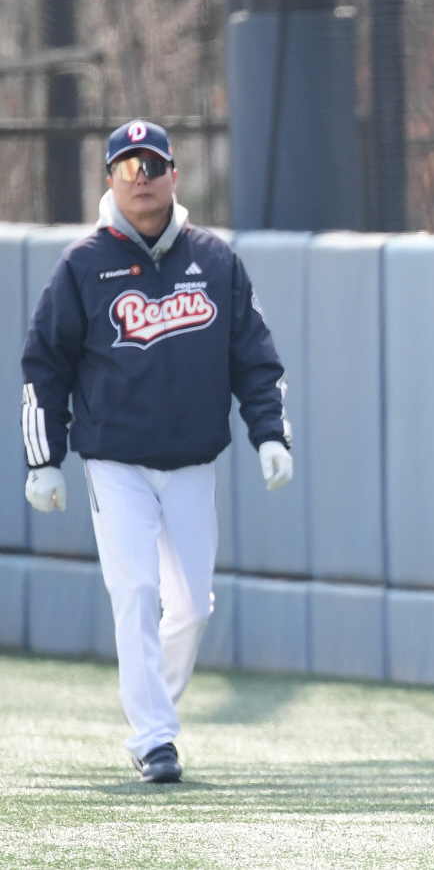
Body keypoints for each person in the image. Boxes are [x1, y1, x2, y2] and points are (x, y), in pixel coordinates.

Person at [21, 119, 294, 784]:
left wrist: (271, 434)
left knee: (193, 605)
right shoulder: (84, 264)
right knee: (136, 589)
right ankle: (153, 736)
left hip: (193, 462)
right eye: (127, 168)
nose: (140, 180)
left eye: (152, 166)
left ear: (175, 173)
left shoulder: (216, 258)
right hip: (114, 460)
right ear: (109, 178)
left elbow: (254, 357)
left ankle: (154, 710)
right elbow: (44, 365)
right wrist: (44, 457)